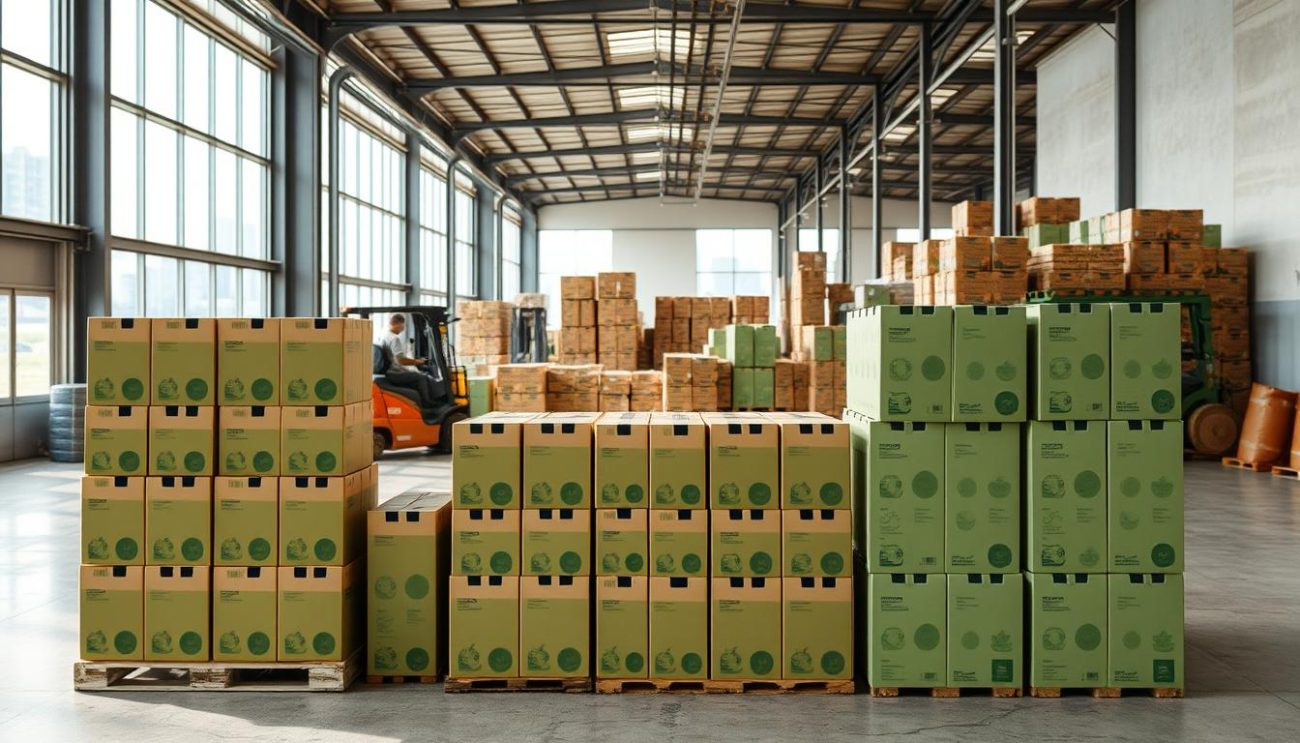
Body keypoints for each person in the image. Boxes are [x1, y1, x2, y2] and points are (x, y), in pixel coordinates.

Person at [383, 313, 437, 405]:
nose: (403, 328)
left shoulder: (384, 336)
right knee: (421, 377)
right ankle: (427, 403)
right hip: (393, 373)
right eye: (403, 325)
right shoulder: (394, 339)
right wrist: (417, 362)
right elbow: (401, 361)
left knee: (412, 373)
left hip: (388, 371)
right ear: (397, 323)